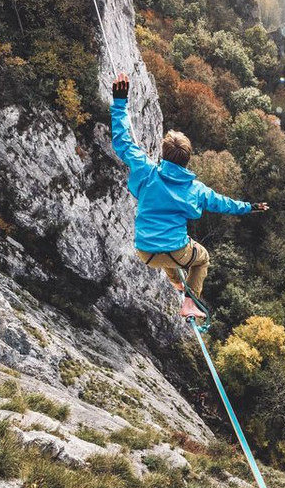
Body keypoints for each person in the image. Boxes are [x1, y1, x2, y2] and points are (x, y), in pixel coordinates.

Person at [110, 72, 268, 320]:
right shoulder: (195, 189)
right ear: (187, 159)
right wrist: (250, 207)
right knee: (202, 259)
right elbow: (223, 204)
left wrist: (119, 101)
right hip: (174, 250)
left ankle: (178, 284)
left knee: (171, 256)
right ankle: (190, 302)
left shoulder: (146, 169)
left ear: (163, 154)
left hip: (145, 251)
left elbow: (122, 140)